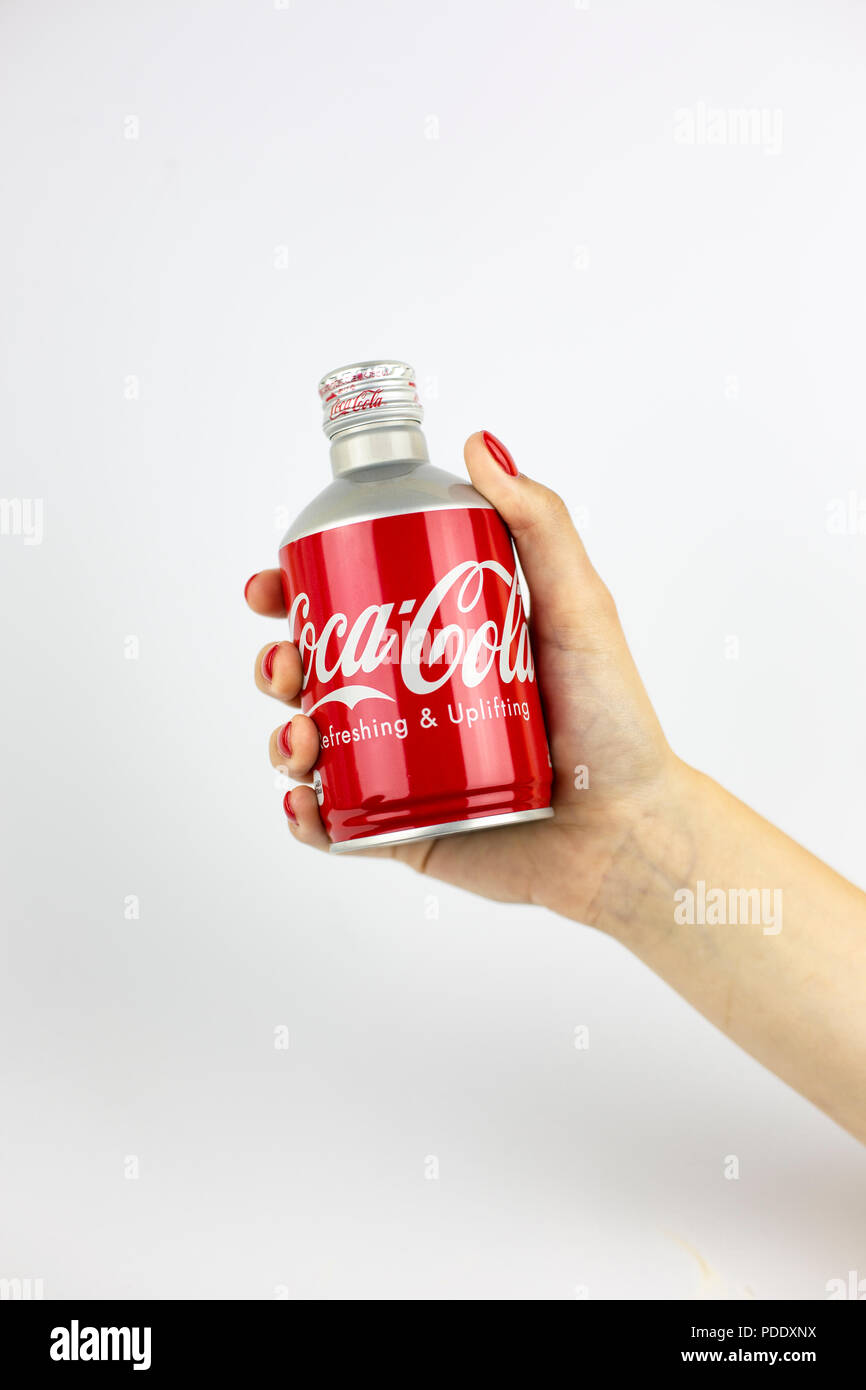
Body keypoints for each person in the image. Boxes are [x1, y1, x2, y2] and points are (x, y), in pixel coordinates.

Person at [246, 431, 866, 1144]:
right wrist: (630, 842)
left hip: (532, 784)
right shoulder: (360, 519)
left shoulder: (449, 502)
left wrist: (630, 822)